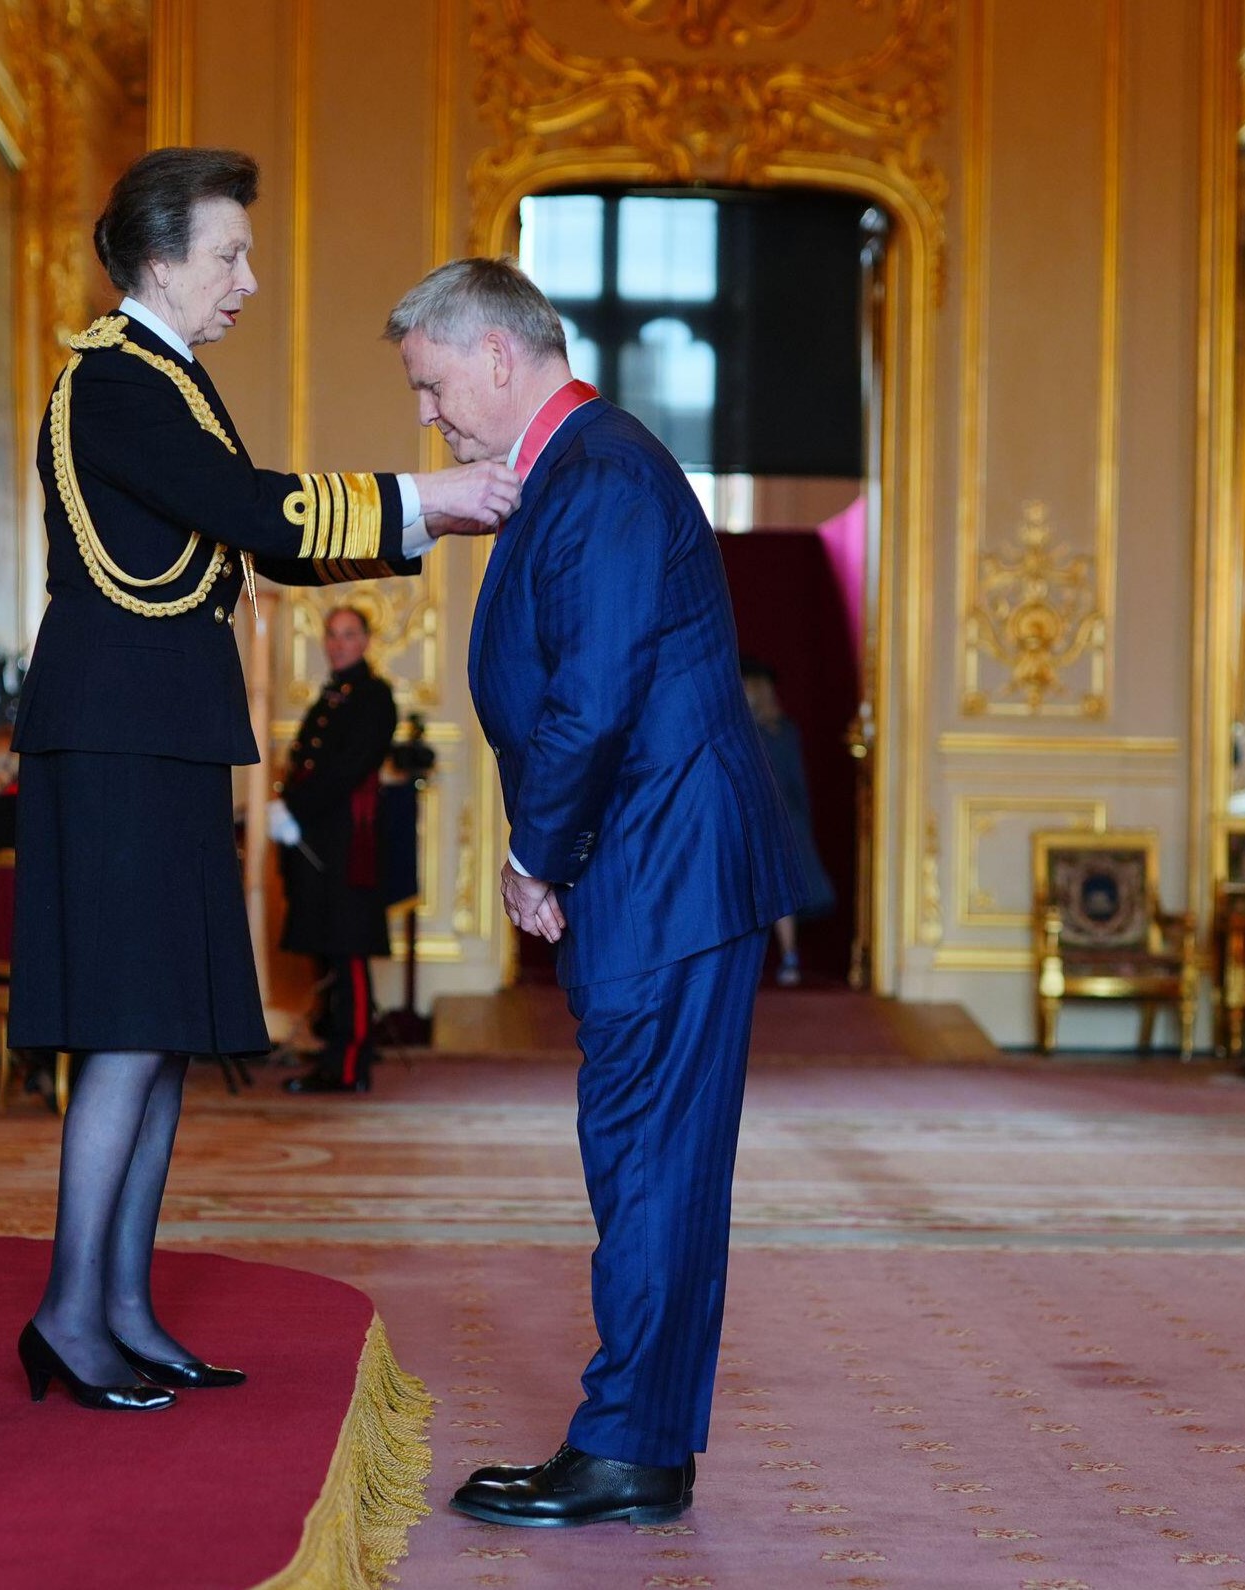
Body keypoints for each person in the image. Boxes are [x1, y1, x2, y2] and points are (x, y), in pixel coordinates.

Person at [9, 146, 518, 1412]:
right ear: (159, 258)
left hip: (163, 731)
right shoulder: (118, 380)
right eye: (230, 254)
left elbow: (254, 536)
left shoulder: (168, 378)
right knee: (129, 1031)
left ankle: (124, 1305)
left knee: (165, 1036)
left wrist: (425, 513)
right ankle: (70, 1315)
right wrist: (430, 496)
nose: (249, 279)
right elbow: (254, 515)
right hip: (121, 736)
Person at [388, 258, 802, 1525]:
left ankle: (627, 1446)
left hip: (659, 866)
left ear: (500, 355)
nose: (431, 413)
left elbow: (596, 692)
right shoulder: (582, 468)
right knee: (647, 1159)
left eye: (435, 382)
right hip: (651, 863)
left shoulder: (603, 471)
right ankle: (644, 1442)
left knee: (649, 1164)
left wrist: (534, 855)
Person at [272, 605, 399, 1094]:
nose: (339, 643)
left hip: (348, 844)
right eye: (332, 635)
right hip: (320, 841)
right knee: (329, 951)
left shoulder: (373, 697)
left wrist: (295, 808)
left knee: (349, 953)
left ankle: (350, 1066)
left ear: (366, 641)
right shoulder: (332, 696)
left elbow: (345, 770)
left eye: (349, 635)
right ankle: (332, 1057)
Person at [739, 657, 837, 986]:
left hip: (772, 821)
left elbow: (796, 782)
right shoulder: (751, 731)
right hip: (757, 820)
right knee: (757, 892)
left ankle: (787, 956)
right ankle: (783, 959)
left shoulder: (776, 732)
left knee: (772, 893)